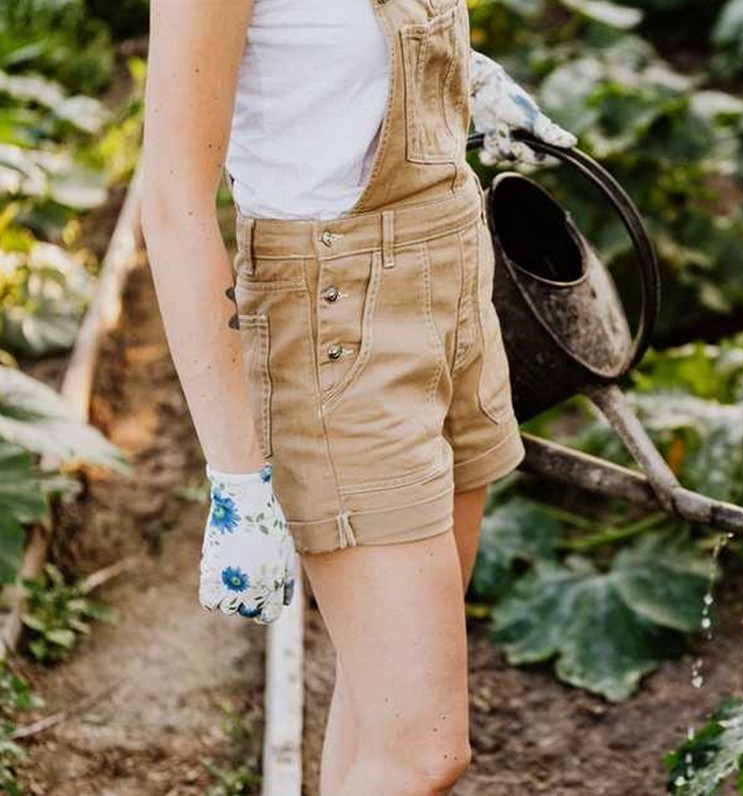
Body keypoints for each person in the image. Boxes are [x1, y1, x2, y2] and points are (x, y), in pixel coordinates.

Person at [139, 0, 575, 793]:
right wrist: (238, 478)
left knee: (384, 715)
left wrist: (463, 79)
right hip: (337, 320)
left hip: (451, 279)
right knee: (423, 751)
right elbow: (171, 204)